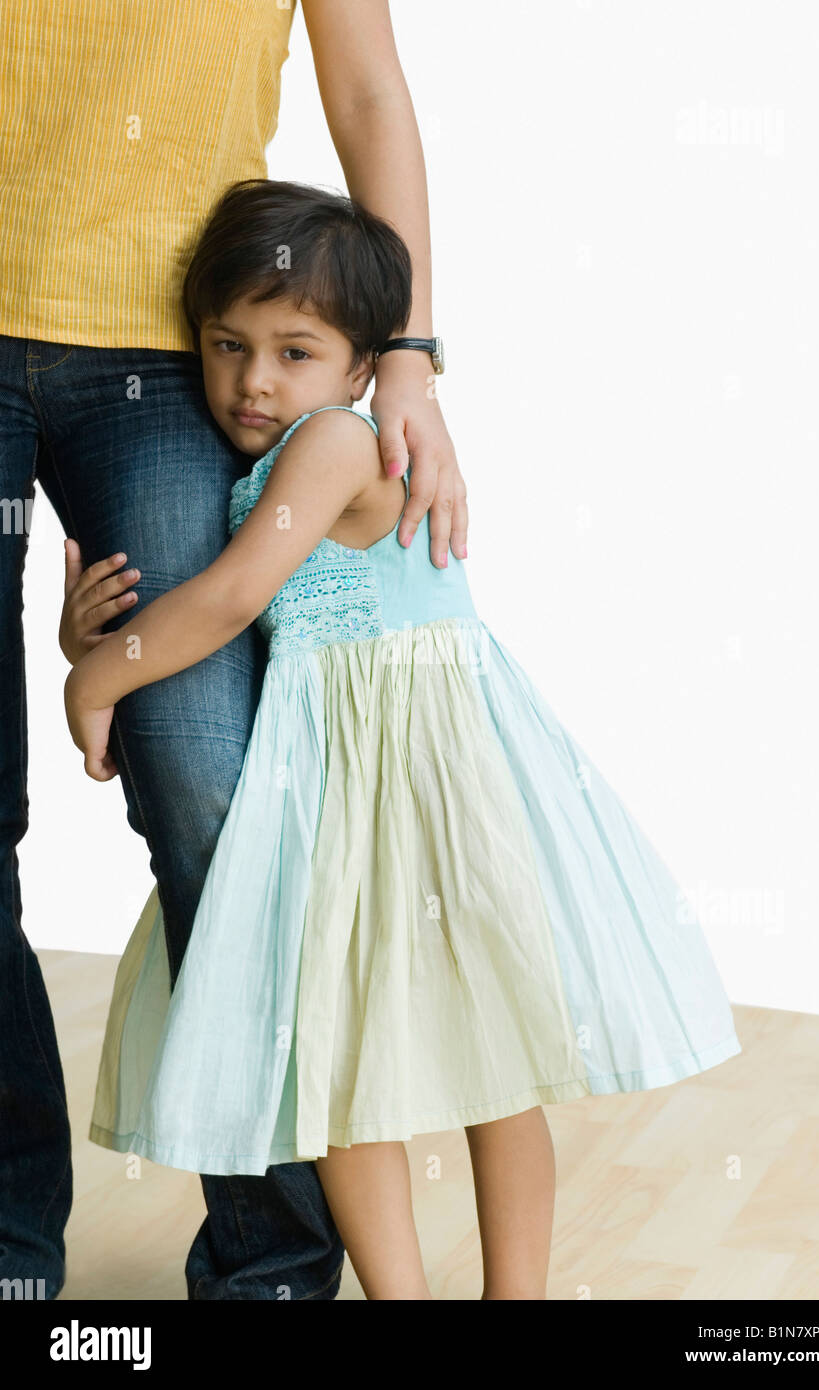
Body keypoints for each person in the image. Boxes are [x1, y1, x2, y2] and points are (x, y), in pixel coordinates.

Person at [61, 179, 742, 1302]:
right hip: (338, 784)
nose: (254, 380)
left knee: (490, 1062)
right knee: (338, 1073)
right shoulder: (276, 453)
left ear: (364, 367)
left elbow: (231, 600)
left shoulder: (334, 443)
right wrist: (85, 626)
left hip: (422, 780)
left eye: (296, 350)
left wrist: (98, 674)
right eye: (227, 345)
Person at [0, 0, 466, 1300]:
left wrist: (410, 358)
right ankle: (9, 1251)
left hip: (178, 345)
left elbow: (365, 86)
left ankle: (272, 1266)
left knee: (221, 801)